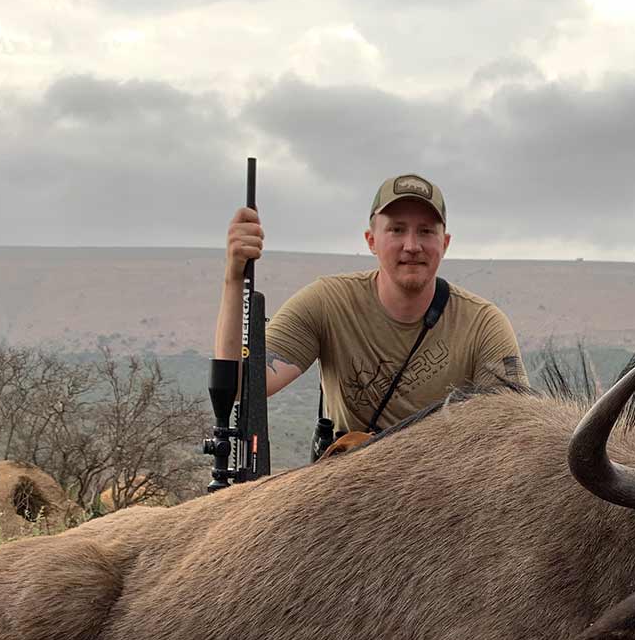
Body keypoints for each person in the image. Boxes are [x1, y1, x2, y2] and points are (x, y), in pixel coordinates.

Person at [214, 173, 527, 450]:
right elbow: (243, 386)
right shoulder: (328, 302)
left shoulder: (484, 325)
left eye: (426, 232)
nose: (412, 245)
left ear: (444, 243)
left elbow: (513, 434)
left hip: (444, 494)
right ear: (371, 240)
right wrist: (233, 278)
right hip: (351, 493)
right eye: (397, 230)